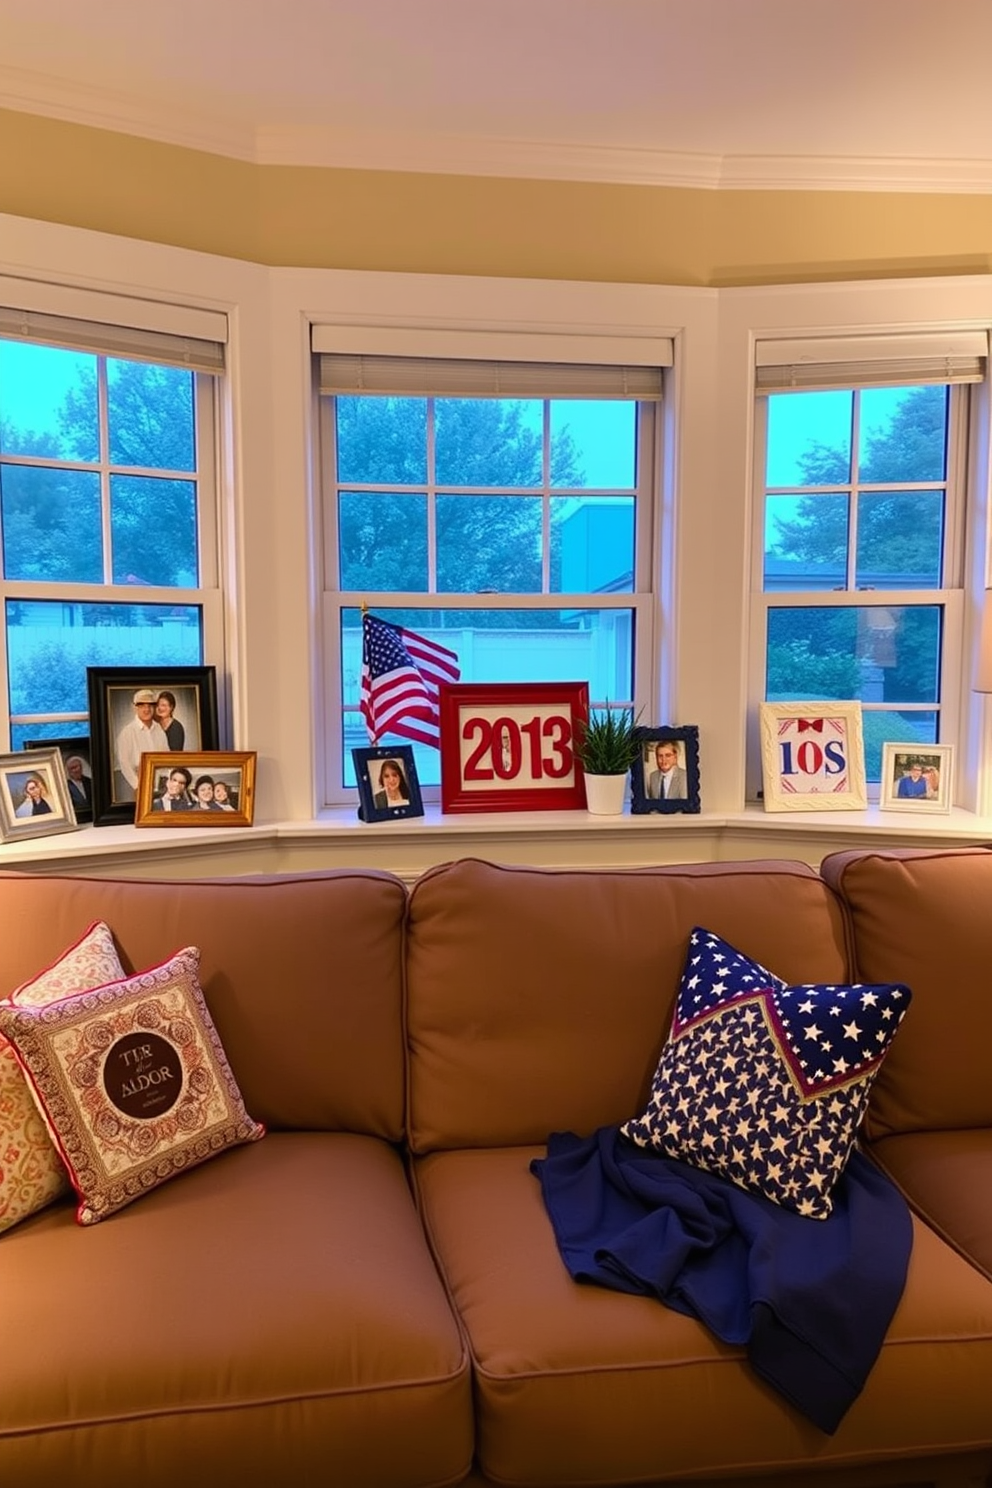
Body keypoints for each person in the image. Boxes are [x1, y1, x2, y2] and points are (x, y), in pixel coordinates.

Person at [115, 689, 169, 801]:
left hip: (161, 784)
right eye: (142, 705)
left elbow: (167, 757)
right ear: (135, 707)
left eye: (150, 705)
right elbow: (124, 763)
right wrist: (137, 786)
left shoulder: (159, 729)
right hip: (138, 784)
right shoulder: (127, 732)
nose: (147, 709)